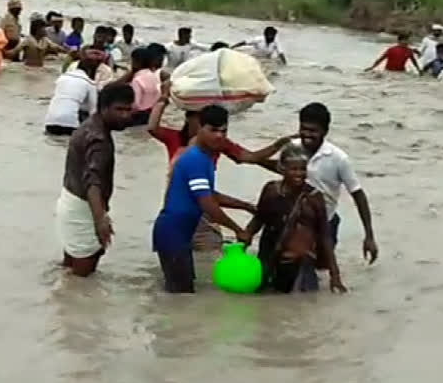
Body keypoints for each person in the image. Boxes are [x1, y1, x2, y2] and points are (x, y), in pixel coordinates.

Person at [149, 85, 293, 250]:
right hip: (187, 209)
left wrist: (278, 145)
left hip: (193, 209)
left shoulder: (216, 146)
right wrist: (163, 98)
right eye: (211, 127)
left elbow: (250, 157)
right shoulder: (185, 148)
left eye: (222, 130)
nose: (218, 135)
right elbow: (152, 128)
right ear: (191, 120)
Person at [152, 105, 254, 293]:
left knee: (182, 295)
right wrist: (238, 230)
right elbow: (207, 203)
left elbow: (211, 195)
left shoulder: (204, 158)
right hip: (172, 232)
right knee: (180, 295)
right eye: (213, 130)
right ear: (199, 128)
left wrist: (246, 206)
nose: (219, 136)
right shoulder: (195, 159)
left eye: (223, 131)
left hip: (179, 233)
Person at [55, 83, 135, 277]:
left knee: (69, 269)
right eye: (119, 109)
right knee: (82, 279)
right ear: (104, 108)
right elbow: (93, 181)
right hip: (84, 208)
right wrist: (100, 219)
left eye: (129, 109)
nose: (125, 115)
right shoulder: (99, 139)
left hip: (70, 200)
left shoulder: (89, 125)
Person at [245, 143, 346, 293]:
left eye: (303, 169)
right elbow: (259, 219)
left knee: (305, 303)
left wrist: (335, 274)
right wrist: (243, 240)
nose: (299, 174)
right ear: (282, 169)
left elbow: (324, 236)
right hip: (270, 256)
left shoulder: (314, 198)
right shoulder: (271, 191)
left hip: (301, 261)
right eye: (294, 169)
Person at [296, 103, 378, 263]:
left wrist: (369, 236)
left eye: (313, 131)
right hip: (296, 221)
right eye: (303, 128)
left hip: (325, 223)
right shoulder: (292, 149)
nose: (306, 134)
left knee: (322, 267)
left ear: (325, 131)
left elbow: (358, 195)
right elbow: (279, 169)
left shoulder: (338, 158)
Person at [44, 50, 103, 136]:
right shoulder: (90, 83)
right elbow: (93, 112)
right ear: (91, 71)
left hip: (50, 122)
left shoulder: (61, 78)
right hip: (70, 124)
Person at [127, 47, 161, 126]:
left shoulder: (137, 80)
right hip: (152, 114)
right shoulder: (155, 76)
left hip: (139, 115)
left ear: (136, 62)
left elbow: (136, 104)